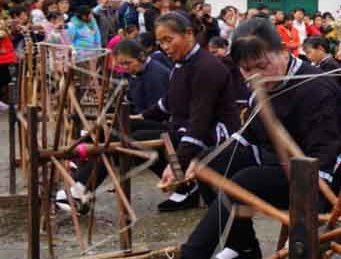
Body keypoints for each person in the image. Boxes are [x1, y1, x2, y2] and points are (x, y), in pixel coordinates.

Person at [127, 18, 341, 259]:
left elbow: (325, 154)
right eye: (246, 69)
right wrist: (194, 162)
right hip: (278, 163)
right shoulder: (260, 87)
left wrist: (307, 190)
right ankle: (241, 247)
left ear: (284, 52)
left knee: (242, 182)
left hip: (317, 177)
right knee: (207, 162)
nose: (254, 76)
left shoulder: (316, 87)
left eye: (262, 66)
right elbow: (247, 135)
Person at [61, 13, 241, 214]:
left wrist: (177, 164)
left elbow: (200, 119)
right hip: (182, 127)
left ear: (189, 33)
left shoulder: (207, 67)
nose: (164, 47)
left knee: (132, 140)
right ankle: (80, 185)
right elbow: (167, 103)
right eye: (160, 41)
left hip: (208, 133)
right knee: (121, 128)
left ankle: (82, 190)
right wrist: (140, 118)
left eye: (168, 40)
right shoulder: (181, 64)